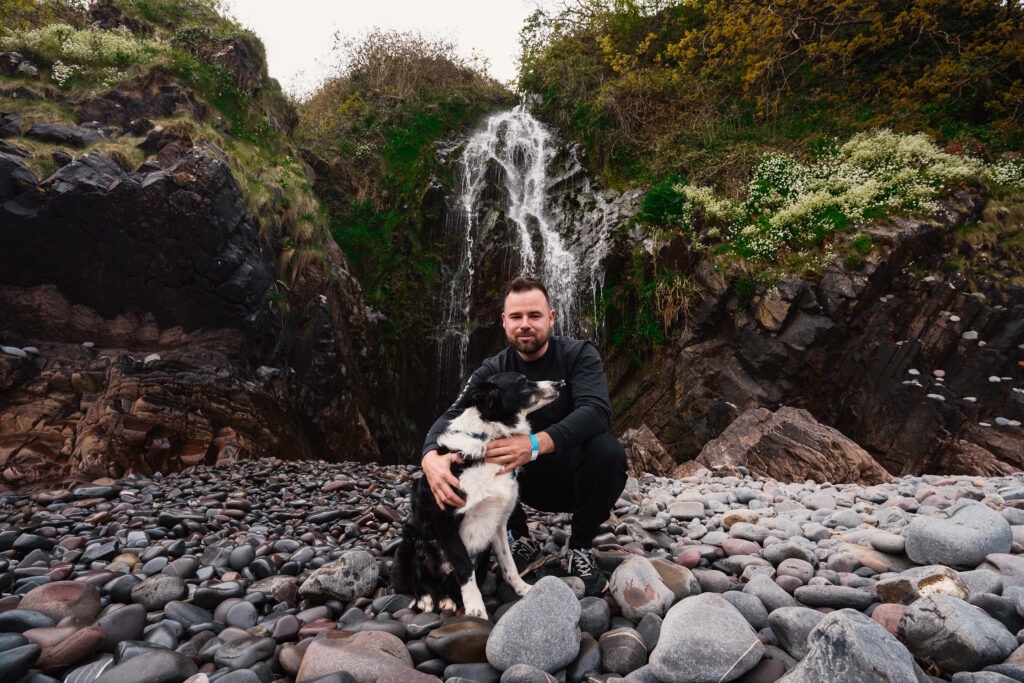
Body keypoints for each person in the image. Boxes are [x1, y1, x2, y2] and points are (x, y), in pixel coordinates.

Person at [420, 275, 628, 596]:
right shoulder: (493, 371)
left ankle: (580, 547)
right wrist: (430, 457)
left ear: (551, 318)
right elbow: (451, 415)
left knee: (609, 452)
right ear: (504, 322)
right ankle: (519, 537)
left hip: (573, 477)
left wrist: (532, 445)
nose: (525, 324)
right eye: (516, 317)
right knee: (469, 447)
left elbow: (597, 411)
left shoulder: (578, 355)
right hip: (516, 484)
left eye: (534, 315)